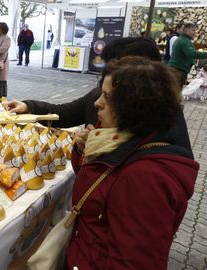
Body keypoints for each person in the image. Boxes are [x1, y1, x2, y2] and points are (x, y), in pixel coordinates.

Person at [67, 56, 199, 269]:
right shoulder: (122, 139)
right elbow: (98, 189)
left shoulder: (145, 178)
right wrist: (86, 152)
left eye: (107, 98)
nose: (97, 103)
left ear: (133, 107)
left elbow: (135, 262)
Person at [4, 37, 193, 157]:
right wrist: (29, 106)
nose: (98, 103)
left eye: (116, 68)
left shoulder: (164, 125)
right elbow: (66, 112)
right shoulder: (101, 94)